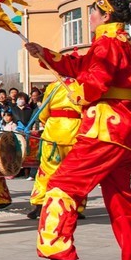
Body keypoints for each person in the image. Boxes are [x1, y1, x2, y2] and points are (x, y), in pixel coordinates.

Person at [26, 0, 131, 260]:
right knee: (120, 198)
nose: (89, 16)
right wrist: (45, 54)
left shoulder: (107, 43)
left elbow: (93, 83)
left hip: (106, 127)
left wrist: (78, 93)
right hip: (125, 126)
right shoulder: (119, 41)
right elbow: (79, 67)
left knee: (62, 184)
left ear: (105, 15)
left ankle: (59, 251)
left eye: (93, 11)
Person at [27, 78, 86, 219]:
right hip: (75, 131)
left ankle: (40, 203)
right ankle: (76, 206)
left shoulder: (53, 86)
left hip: (53, 131)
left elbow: (43, 113)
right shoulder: (82, 85)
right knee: (76, 172)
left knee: (47, 170)